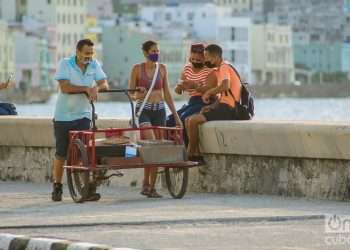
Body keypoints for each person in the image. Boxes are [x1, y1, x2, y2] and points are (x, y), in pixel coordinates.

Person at [51, 39, 109, 202]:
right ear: (77, 52)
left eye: (91, 53)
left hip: (84, 114)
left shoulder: (94, 64)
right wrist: (85, 88)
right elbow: (65, 87)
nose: (89, 57)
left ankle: (86, 187)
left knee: (85, 153)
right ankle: (57, 185)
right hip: (64, 116)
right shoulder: (65, 64)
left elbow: (104, 83)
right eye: (86, 53)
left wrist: (97, 87)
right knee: (61, 153)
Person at [128, 40, 182, 198]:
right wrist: (139, 93)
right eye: (153, 51)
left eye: (157, 51)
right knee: (152, 146)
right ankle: (148, 185)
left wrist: (176, 115)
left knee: (157, 150)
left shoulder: (162, 69)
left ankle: (149, 185)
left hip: (159, 111)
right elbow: (132, 94)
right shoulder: (137, 69)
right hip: (143, 111)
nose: (156, 53)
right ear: (145, 53)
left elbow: (167, 94)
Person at [186, 44, 241, 161]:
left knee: (192, 121)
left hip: (230, 110)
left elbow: (225, 86)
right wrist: (212, 106)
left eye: (207, 57)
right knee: (188, 120)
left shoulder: (224, 67)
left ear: (215, 57)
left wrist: (209, 92)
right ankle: (195, 153)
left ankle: (192, 153)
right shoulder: (219, 69)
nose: (205, 60)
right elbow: (223, 96)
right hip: (223, 106)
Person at [166, 43, 217, 145]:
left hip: (204, 102)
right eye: (193, 59)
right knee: (170, 120)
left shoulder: (210, 71)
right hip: (192, 102)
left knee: (184, 118)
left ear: (204, 58)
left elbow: (210, 90)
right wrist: (180, 87)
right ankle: (172, 147)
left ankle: (188, 148)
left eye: (198, 60)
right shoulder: (187, 68)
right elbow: (178, 91)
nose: (195, 62)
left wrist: (195, 86)